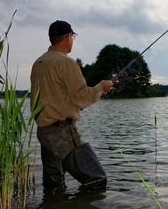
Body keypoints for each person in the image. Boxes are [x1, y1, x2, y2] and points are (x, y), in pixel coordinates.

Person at [30, 20, 113, 190]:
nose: (72, 40)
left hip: (44, 133)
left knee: (54, 186)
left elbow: (56, 96)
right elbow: (81, 97)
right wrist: (101, 88)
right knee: (97, 179)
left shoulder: (38, 63)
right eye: (72, 36)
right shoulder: (66, 62)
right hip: (62, 133)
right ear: (68, 37)